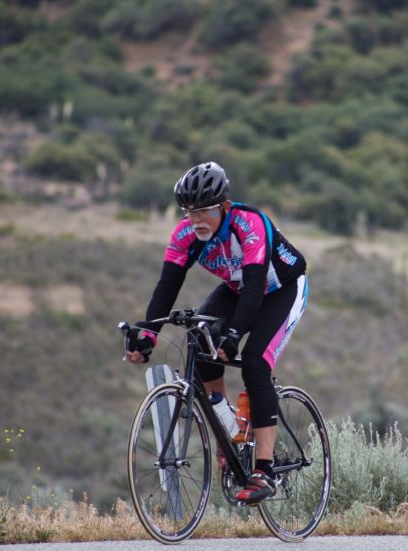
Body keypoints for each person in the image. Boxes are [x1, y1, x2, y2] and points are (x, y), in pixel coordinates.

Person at [125, 161, 308, 504]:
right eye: (189, 211)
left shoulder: (249, 224)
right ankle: (228, 427)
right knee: (200, 339)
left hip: (281, 289)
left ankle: (264, 471)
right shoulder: (184, 236)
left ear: (223, 206)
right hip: (240, 289)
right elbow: (167, 287)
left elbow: (255, 286)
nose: (196, 220)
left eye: (204, 211)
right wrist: (147, 335)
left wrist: (234, 334)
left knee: (255, 364)